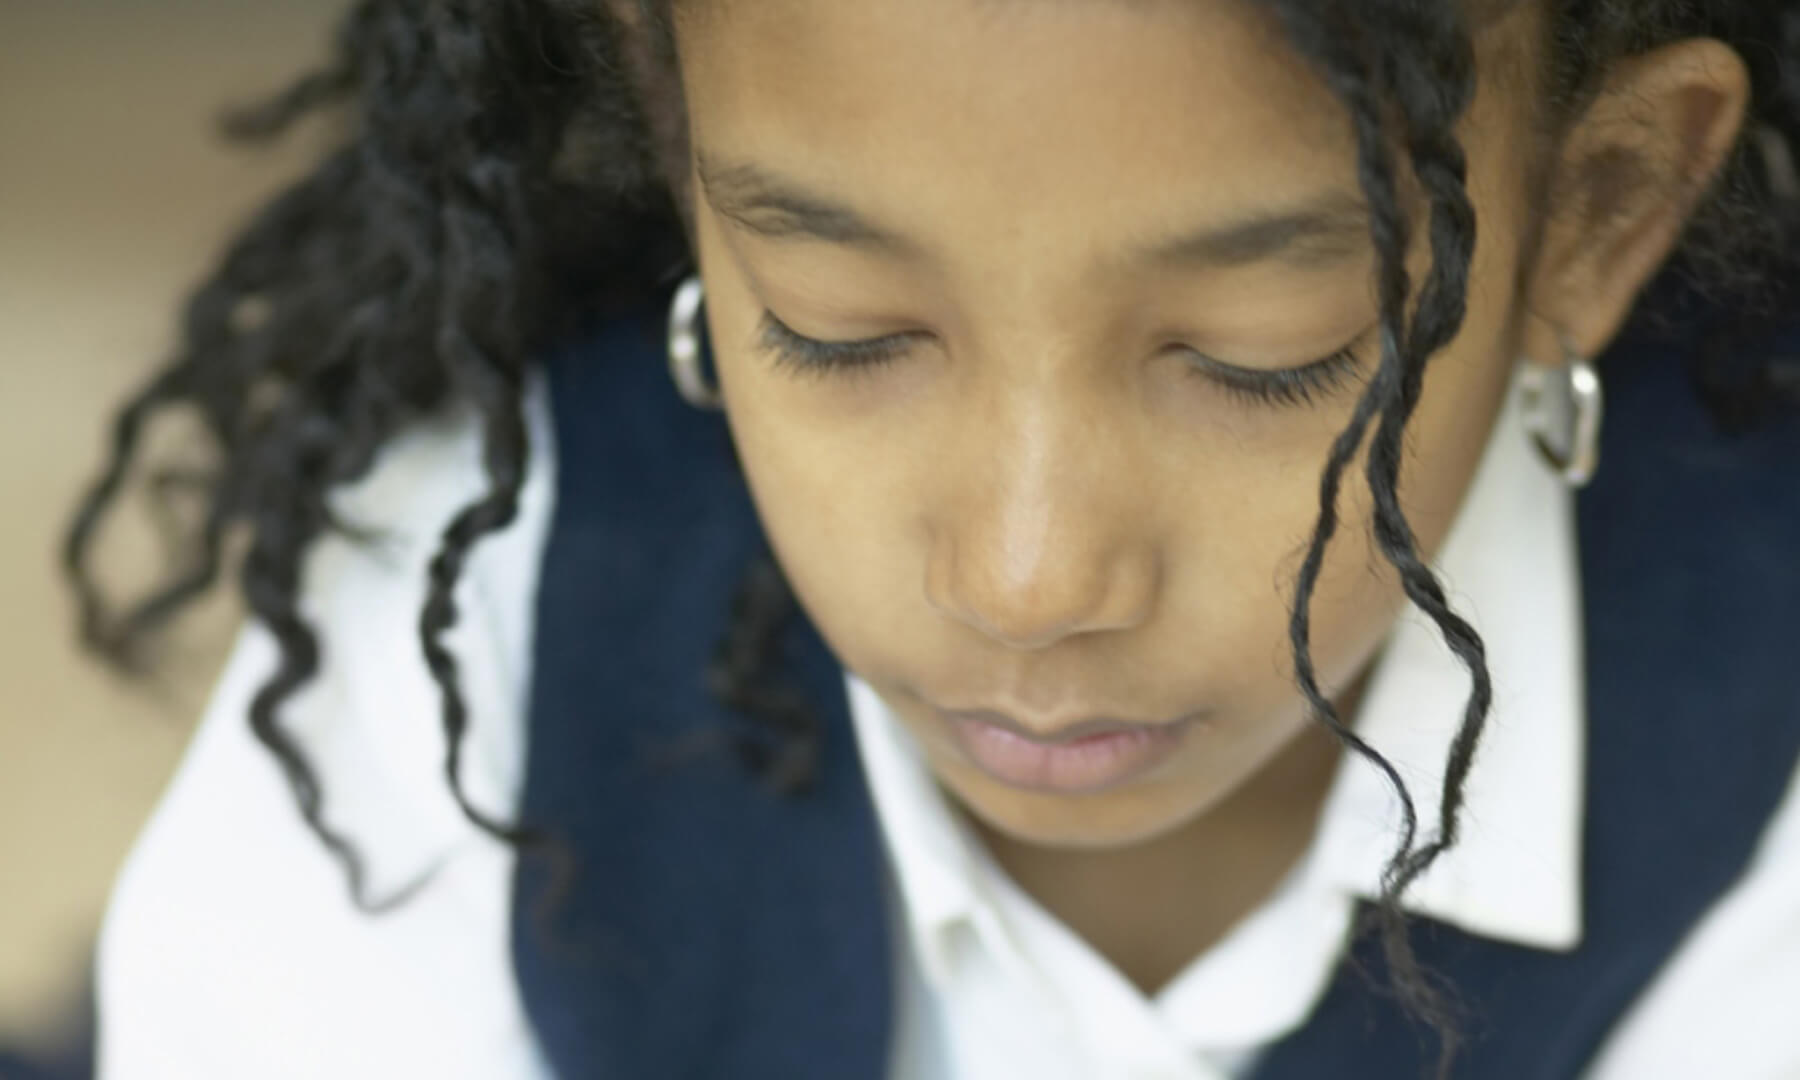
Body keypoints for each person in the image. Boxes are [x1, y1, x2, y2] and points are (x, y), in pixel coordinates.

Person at [66, 0, 1800, 1077]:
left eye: (1259, 359)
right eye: (839, 327)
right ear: (683, 143)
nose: (1027, 577)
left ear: (1599, 208)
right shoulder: (469, 646)